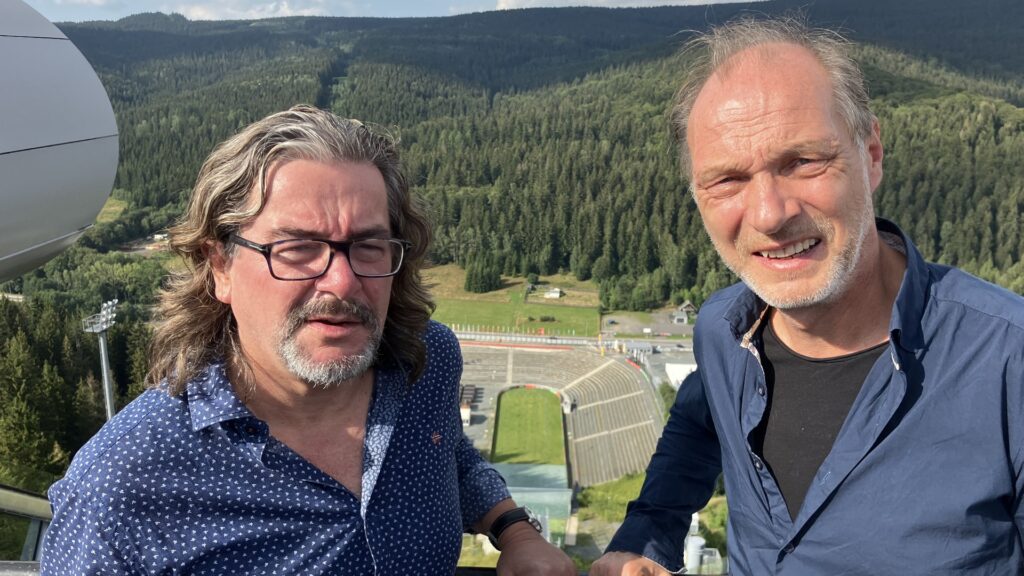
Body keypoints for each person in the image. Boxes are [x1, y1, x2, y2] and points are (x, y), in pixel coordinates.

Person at [42, 105, 575, 576]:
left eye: (368, 247)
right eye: (296, 249)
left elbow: (448, 453)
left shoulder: (425, 361)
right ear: (219, 266)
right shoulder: (122, 487)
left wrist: (514, 531)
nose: (342, 282)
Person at [592, 16, 1024, 576]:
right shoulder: (724, 331)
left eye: (802, 162)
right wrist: (646, 537)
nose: (771, 214)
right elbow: (698, 427)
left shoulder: (1007, 364)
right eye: (727, 180)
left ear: (871, 155)